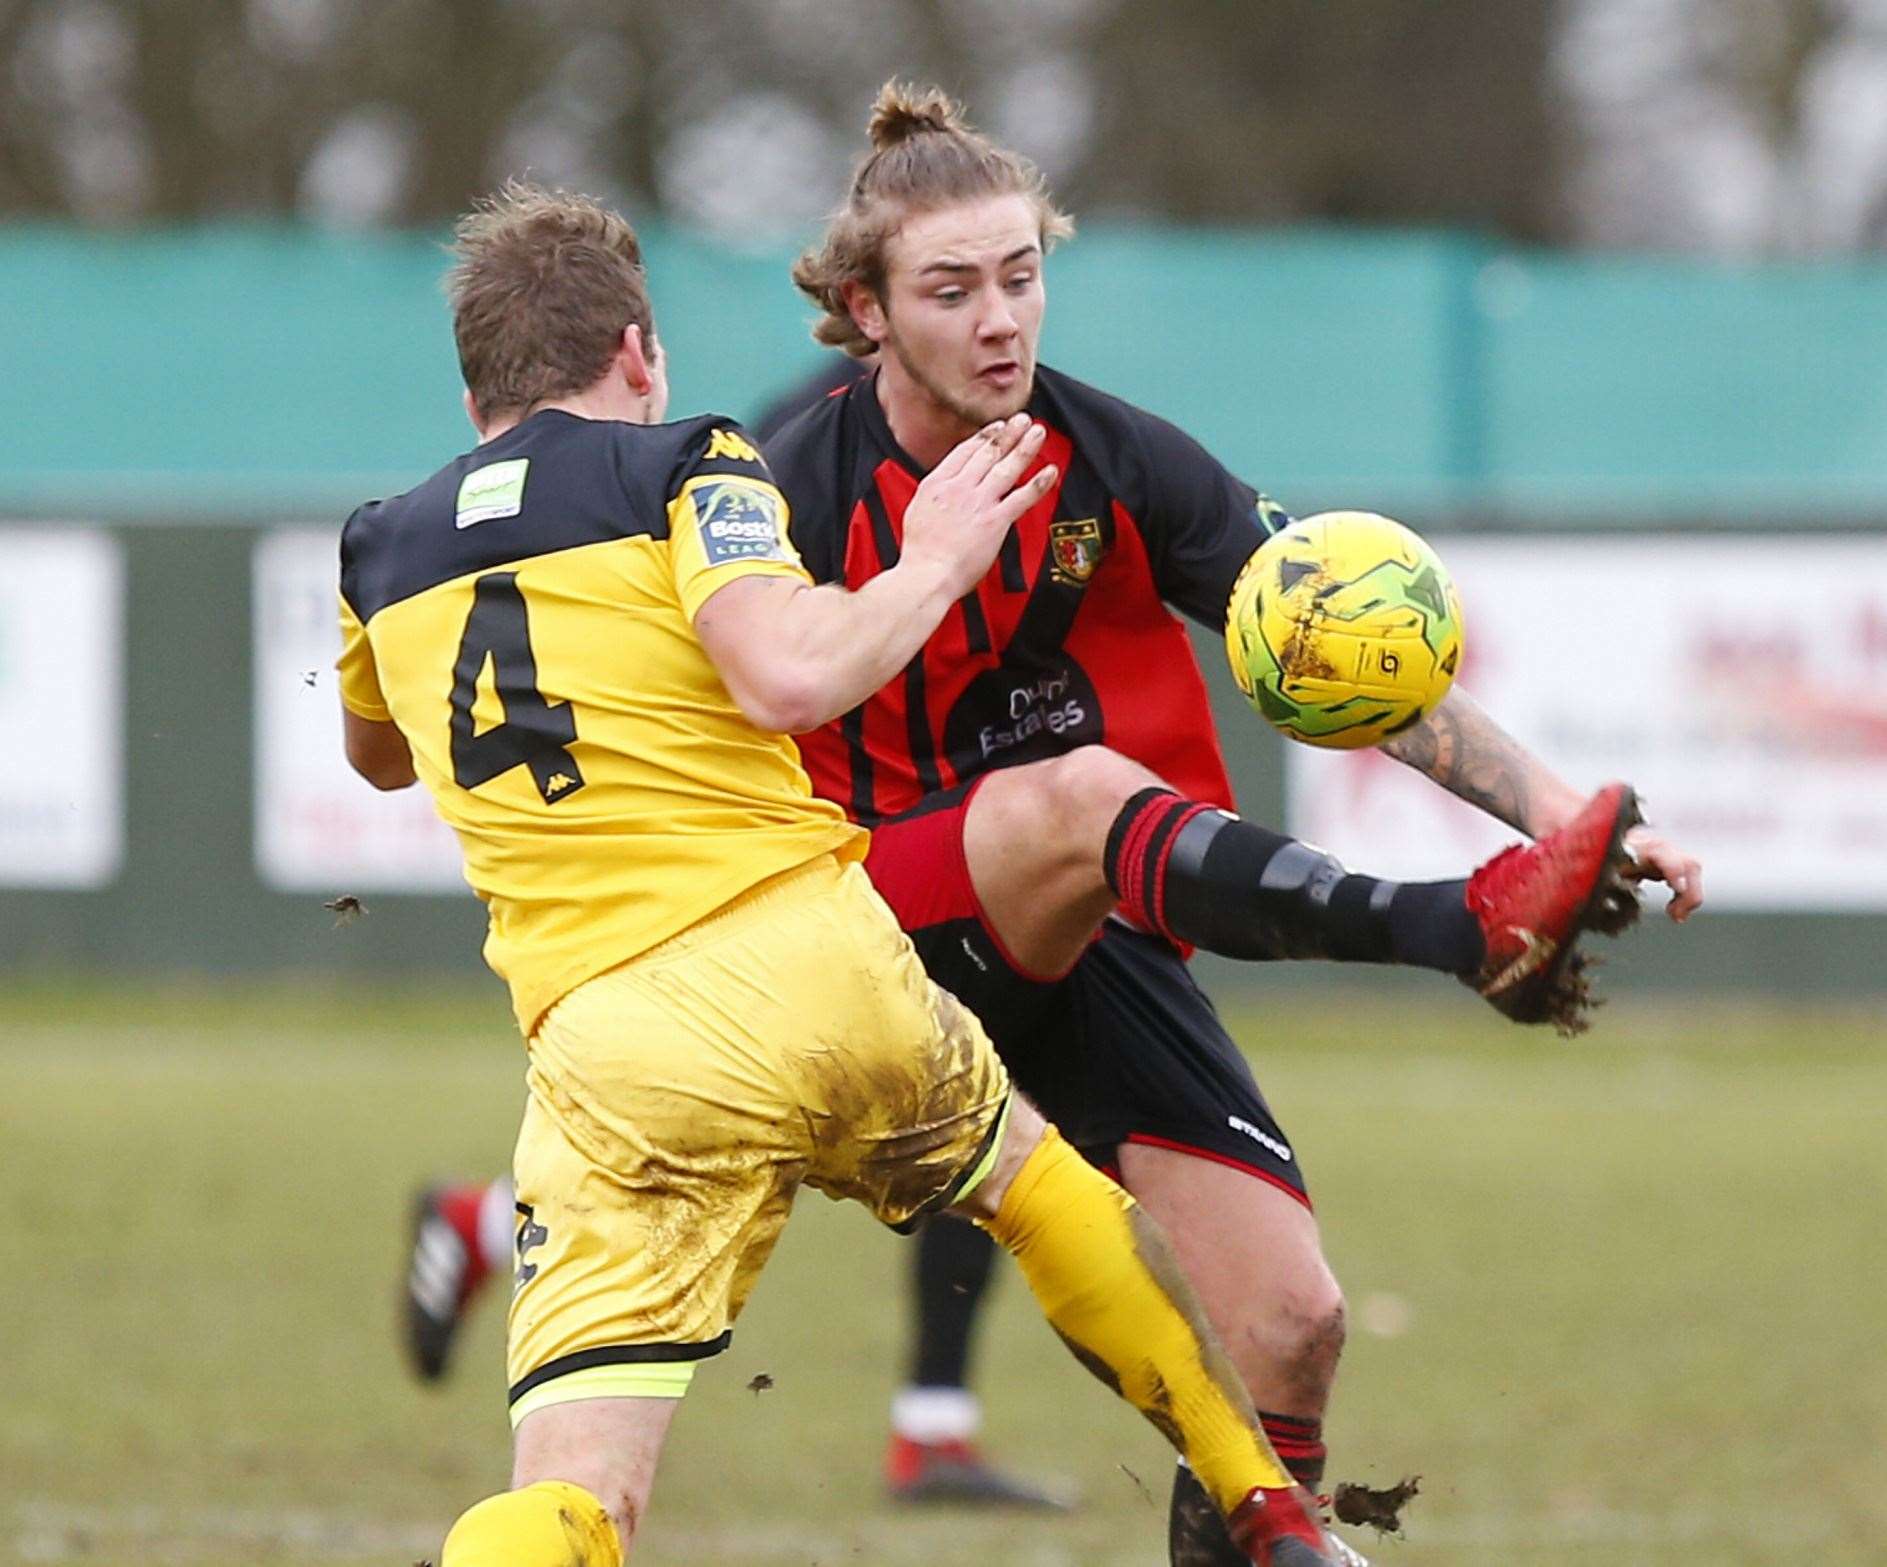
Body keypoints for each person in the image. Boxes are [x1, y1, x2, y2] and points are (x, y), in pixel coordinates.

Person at [756, 83, 1705, 1567]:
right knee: (1078, 792)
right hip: (859, 933)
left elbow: (1357, 662)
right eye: (951, 289)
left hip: (1076, 922)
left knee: (1291, 1323)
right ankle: (1453, 929)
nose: (1002, 318)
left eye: (1022, 275)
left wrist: (1575, 818)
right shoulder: (778, 481)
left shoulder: (1115, 458)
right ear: (865, 312)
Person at [339, 179, 1353, 1566]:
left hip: (606, 1055)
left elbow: (380, 756)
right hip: (810, 965)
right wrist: (933, 560)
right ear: (641, 351)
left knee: (576, 1490)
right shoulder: (688, 460)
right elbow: (790, 670)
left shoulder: (378, 546)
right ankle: (1270, 1514)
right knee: (1043, 1194)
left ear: (475, 404)